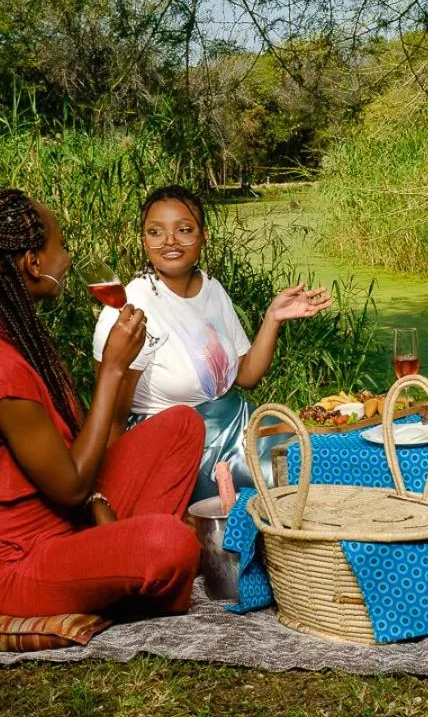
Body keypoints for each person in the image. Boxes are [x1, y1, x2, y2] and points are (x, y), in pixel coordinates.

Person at [0, 188, 206, 618]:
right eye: (63, 246)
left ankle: (117, 560)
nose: (69, 258)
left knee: (182, 425)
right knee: (173, 542)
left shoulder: (12, 332)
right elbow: (71, 484)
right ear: (33, 263)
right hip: (17, 562)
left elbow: (71, 465)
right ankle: (127, 568)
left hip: (66, 521)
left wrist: (97, 503)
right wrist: (112, 370)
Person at [91, 185, 332, 501]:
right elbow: (112, 418)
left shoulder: (212, 288)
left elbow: (246, 375)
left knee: (319, 455)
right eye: (155, 232)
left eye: (184, 230)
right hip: (180, 445)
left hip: (239, 423)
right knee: (281, 480)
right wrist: (104, 496)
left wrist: (273, 317)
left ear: (204, 235)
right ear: (144, 240)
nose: (170, 242)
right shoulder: (129, 307)